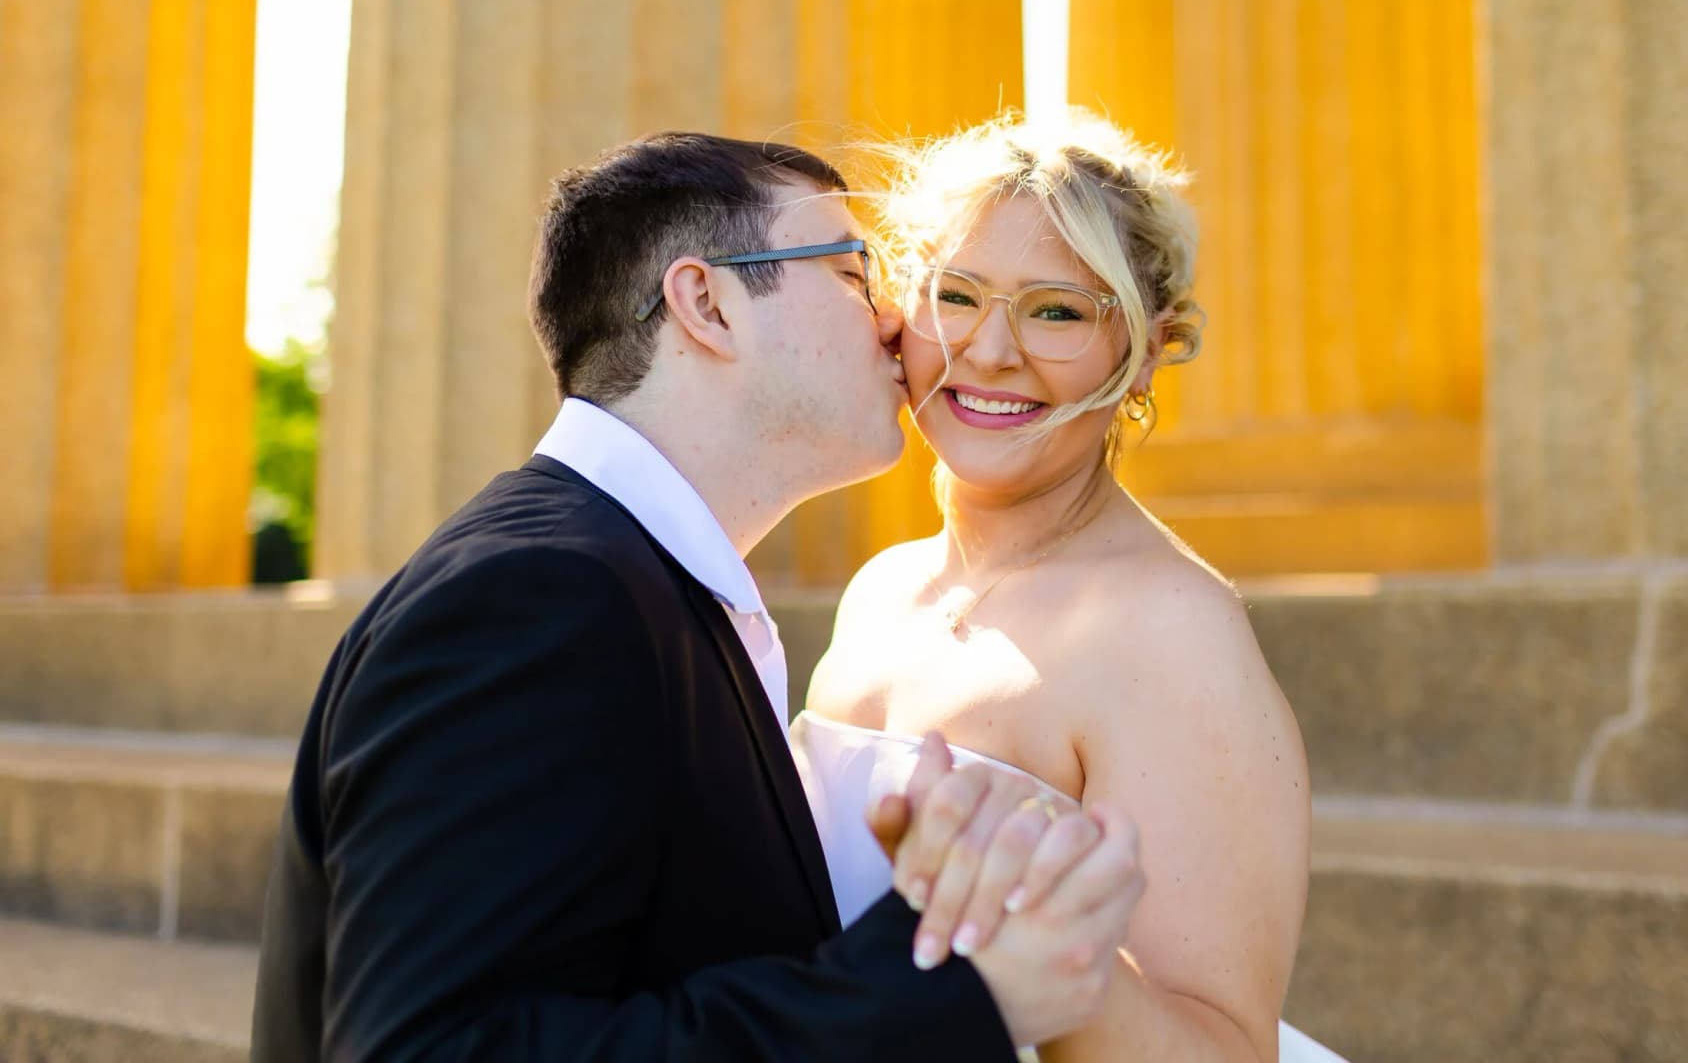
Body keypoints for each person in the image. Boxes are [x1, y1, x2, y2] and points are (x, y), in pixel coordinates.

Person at [250, 133, 1148, 1062]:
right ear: (707, 303)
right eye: (851, 272)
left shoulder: (637, 585)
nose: (896, 321)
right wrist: (945, 991)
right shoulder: (537, 602)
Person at [795, 112, 1343, 1061]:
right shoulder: (880, 590)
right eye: (955, 296)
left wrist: (1026, 944)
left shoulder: (1173, 633)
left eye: (1056, 310)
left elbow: (1223, 1051)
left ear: (1145, 348)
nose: (993, 351)